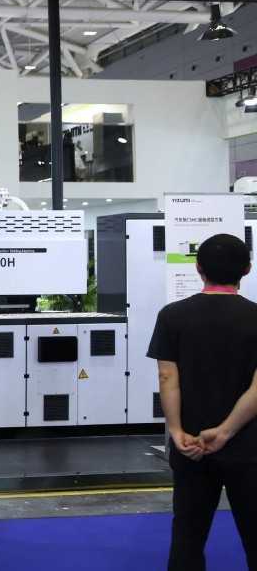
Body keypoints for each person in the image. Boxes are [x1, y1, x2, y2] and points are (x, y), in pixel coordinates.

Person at [148, 233, 257, 571]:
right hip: (249, 446)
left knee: (188, 536)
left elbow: (167, 377)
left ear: (198, 268)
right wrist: (225, 431)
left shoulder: (172, 315)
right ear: (247, 269)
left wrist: (176, 431)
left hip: (191, 446)